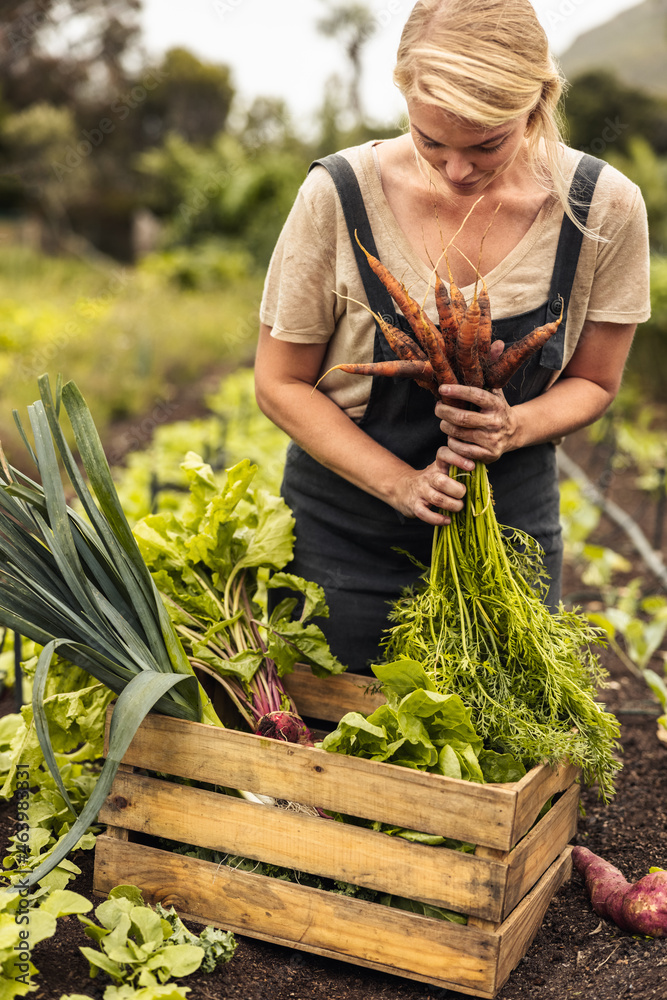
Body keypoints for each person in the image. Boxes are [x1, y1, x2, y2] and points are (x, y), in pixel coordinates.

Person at [254, 0, 650, 674]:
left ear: (538, 103)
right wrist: (401, 485)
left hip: (508, 531)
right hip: (342, 539)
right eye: (429, 140)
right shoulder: (337, 194)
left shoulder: (603, 208)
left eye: (486, 145)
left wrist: (511, 425)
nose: (456, 171)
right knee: (333, 754)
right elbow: (278, 381)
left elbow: (594, 382)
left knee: (505, 745)